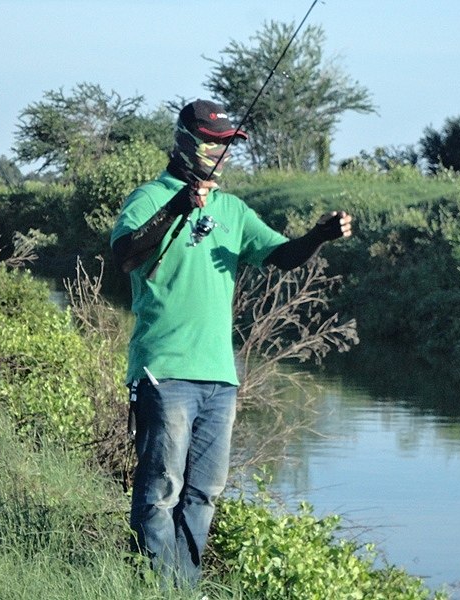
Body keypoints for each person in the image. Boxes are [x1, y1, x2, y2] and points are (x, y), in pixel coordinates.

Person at [109, 99, 352, 586]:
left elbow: (282, 256)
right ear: (185, 140)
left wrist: (318, 236)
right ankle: (155, 588)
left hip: (220, 377)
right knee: (161, 491)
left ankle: (183, 590)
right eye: (214, 141)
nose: (222, 152)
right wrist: (177, 207)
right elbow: (124, 256)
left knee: (204, 494)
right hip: (165, 370)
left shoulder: (233, 210)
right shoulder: (149, 196)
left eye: (228, 144)